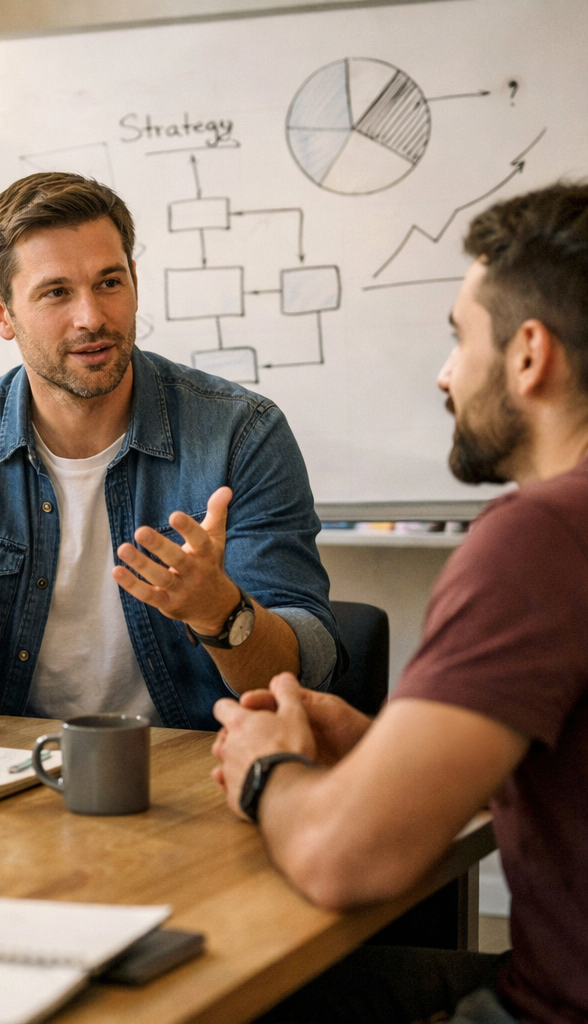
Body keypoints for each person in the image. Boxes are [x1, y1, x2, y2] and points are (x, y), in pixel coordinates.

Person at [211, 182, 588, 1024]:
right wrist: (386, 750)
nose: (446, 373)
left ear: (530, 355)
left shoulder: (539, 541)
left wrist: (266, 767)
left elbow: (341, 860)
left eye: (461, 338)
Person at [0, 172, 342, 730]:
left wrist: (222, 613)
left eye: (109, 283)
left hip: (197, 775)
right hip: (4, 783)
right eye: (56, 292)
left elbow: (308, 670)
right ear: (1, 314)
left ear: (135, 283)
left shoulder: (242, 433)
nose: (92, 317)